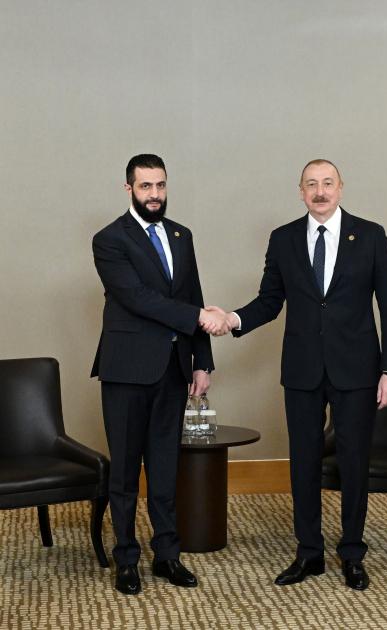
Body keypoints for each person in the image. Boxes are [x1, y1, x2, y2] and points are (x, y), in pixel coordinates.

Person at [202, 159, 387, 590]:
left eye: (327, 183)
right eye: (311, 184)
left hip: (357, 369)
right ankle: (309, 552)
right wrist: (233, 318)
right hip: (302, 369)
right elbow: (269, 301)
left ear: (341, 188)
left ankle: (352, 553)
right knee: (304, 463)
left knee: (354, 463)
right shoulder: (284, 238)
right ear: (301, 192)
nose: (320, 191)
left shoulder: (371, 235)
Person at [91, 154, 226, 595]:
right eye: (145, 186)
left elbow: (193, 293)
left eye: (160, 185)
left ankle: (167, 554)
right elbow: (137, 297)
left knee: (166, 468)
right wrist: (200, 317)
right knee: (125, 472)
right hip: (126, 369)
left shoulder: (182, 235)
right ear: (128, 188)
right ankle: (126, 558)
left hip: (173, 368)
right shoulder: (109, 239)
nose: (155, 194)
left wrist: (202, 360)